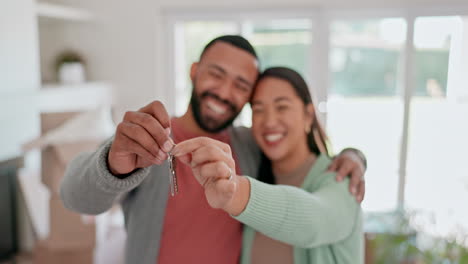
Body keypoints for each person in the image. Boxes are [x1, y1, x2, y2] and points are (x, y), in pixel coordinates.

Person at [60, 35, 366, 264]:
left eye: (240, 85)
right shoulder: (147, 140)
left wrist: (354, 156)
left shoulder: (250, 146)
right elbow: (75, 198)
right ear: (194, 71)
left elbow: (311, 203)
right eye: (216, 74)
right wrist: (112, 163)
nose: (223, 92)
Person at [173, 67, 363, 263]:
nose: (269, 121)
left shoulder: (341, 179)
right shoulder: (254, 167)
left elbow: (314, 222)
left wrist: (234, 192)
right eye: (258, 109)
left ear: (308, 115)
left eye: (282, 107)